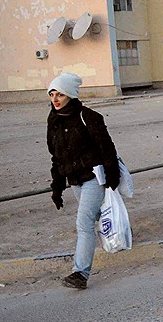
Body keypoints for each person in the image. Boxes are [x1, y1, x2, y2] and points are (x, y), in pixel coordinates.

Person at [46, 72, 120, 290]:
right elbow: (56, 157)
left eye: (60, 94)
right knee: (96, 215)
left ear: (70, 94)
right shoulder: (53, 121)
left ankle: (80, 273)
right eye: (52, 94)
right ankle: (121, 230)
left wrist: (111, 177)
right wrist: (57, 187)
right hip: (74, 181)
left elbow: (107, 148)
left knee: (84, 223)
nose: (55, 99)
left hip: (93, 178)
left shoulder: (89, 116)